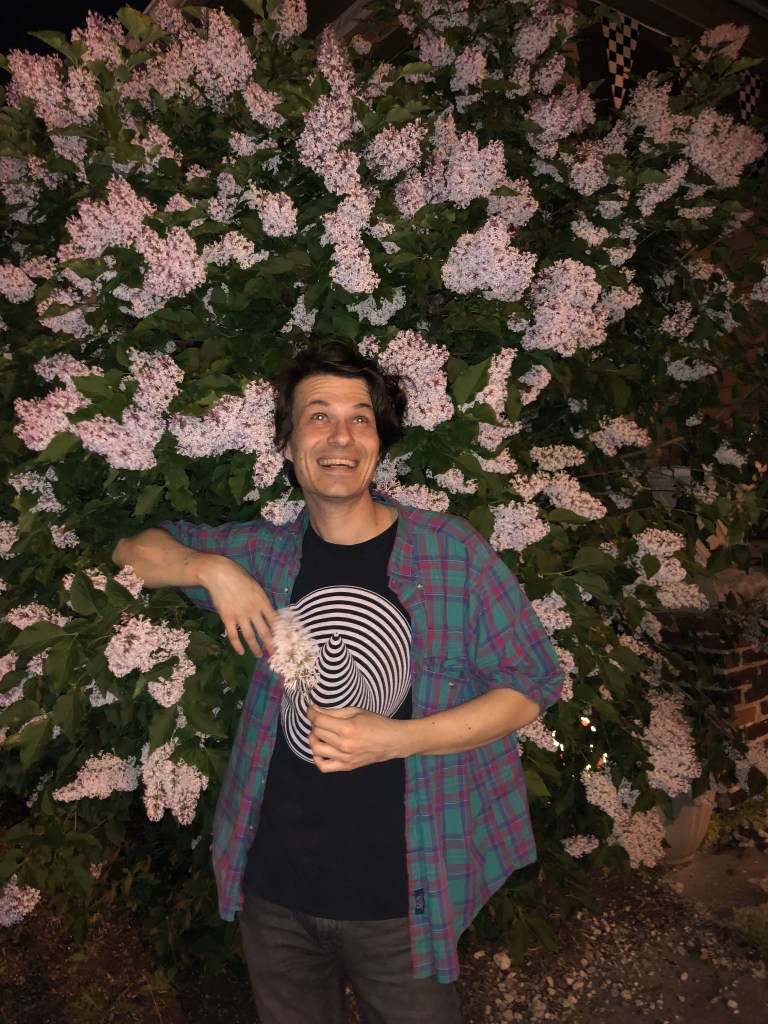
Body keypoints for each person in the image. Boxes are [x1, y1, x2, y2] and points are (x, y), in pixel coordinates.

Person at [113, 342, 563, 1024]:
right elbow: (132, 549)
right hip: (275, 892)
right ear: (288, 444)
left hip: (403, 897)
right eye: (318, 416)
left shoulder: (452, 552)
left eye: (360, 418)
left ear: (378, 443)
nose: (341, 436)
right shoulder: (265, 555)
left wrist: (399, 738)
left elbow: (533, 682)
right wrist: (210, 570)